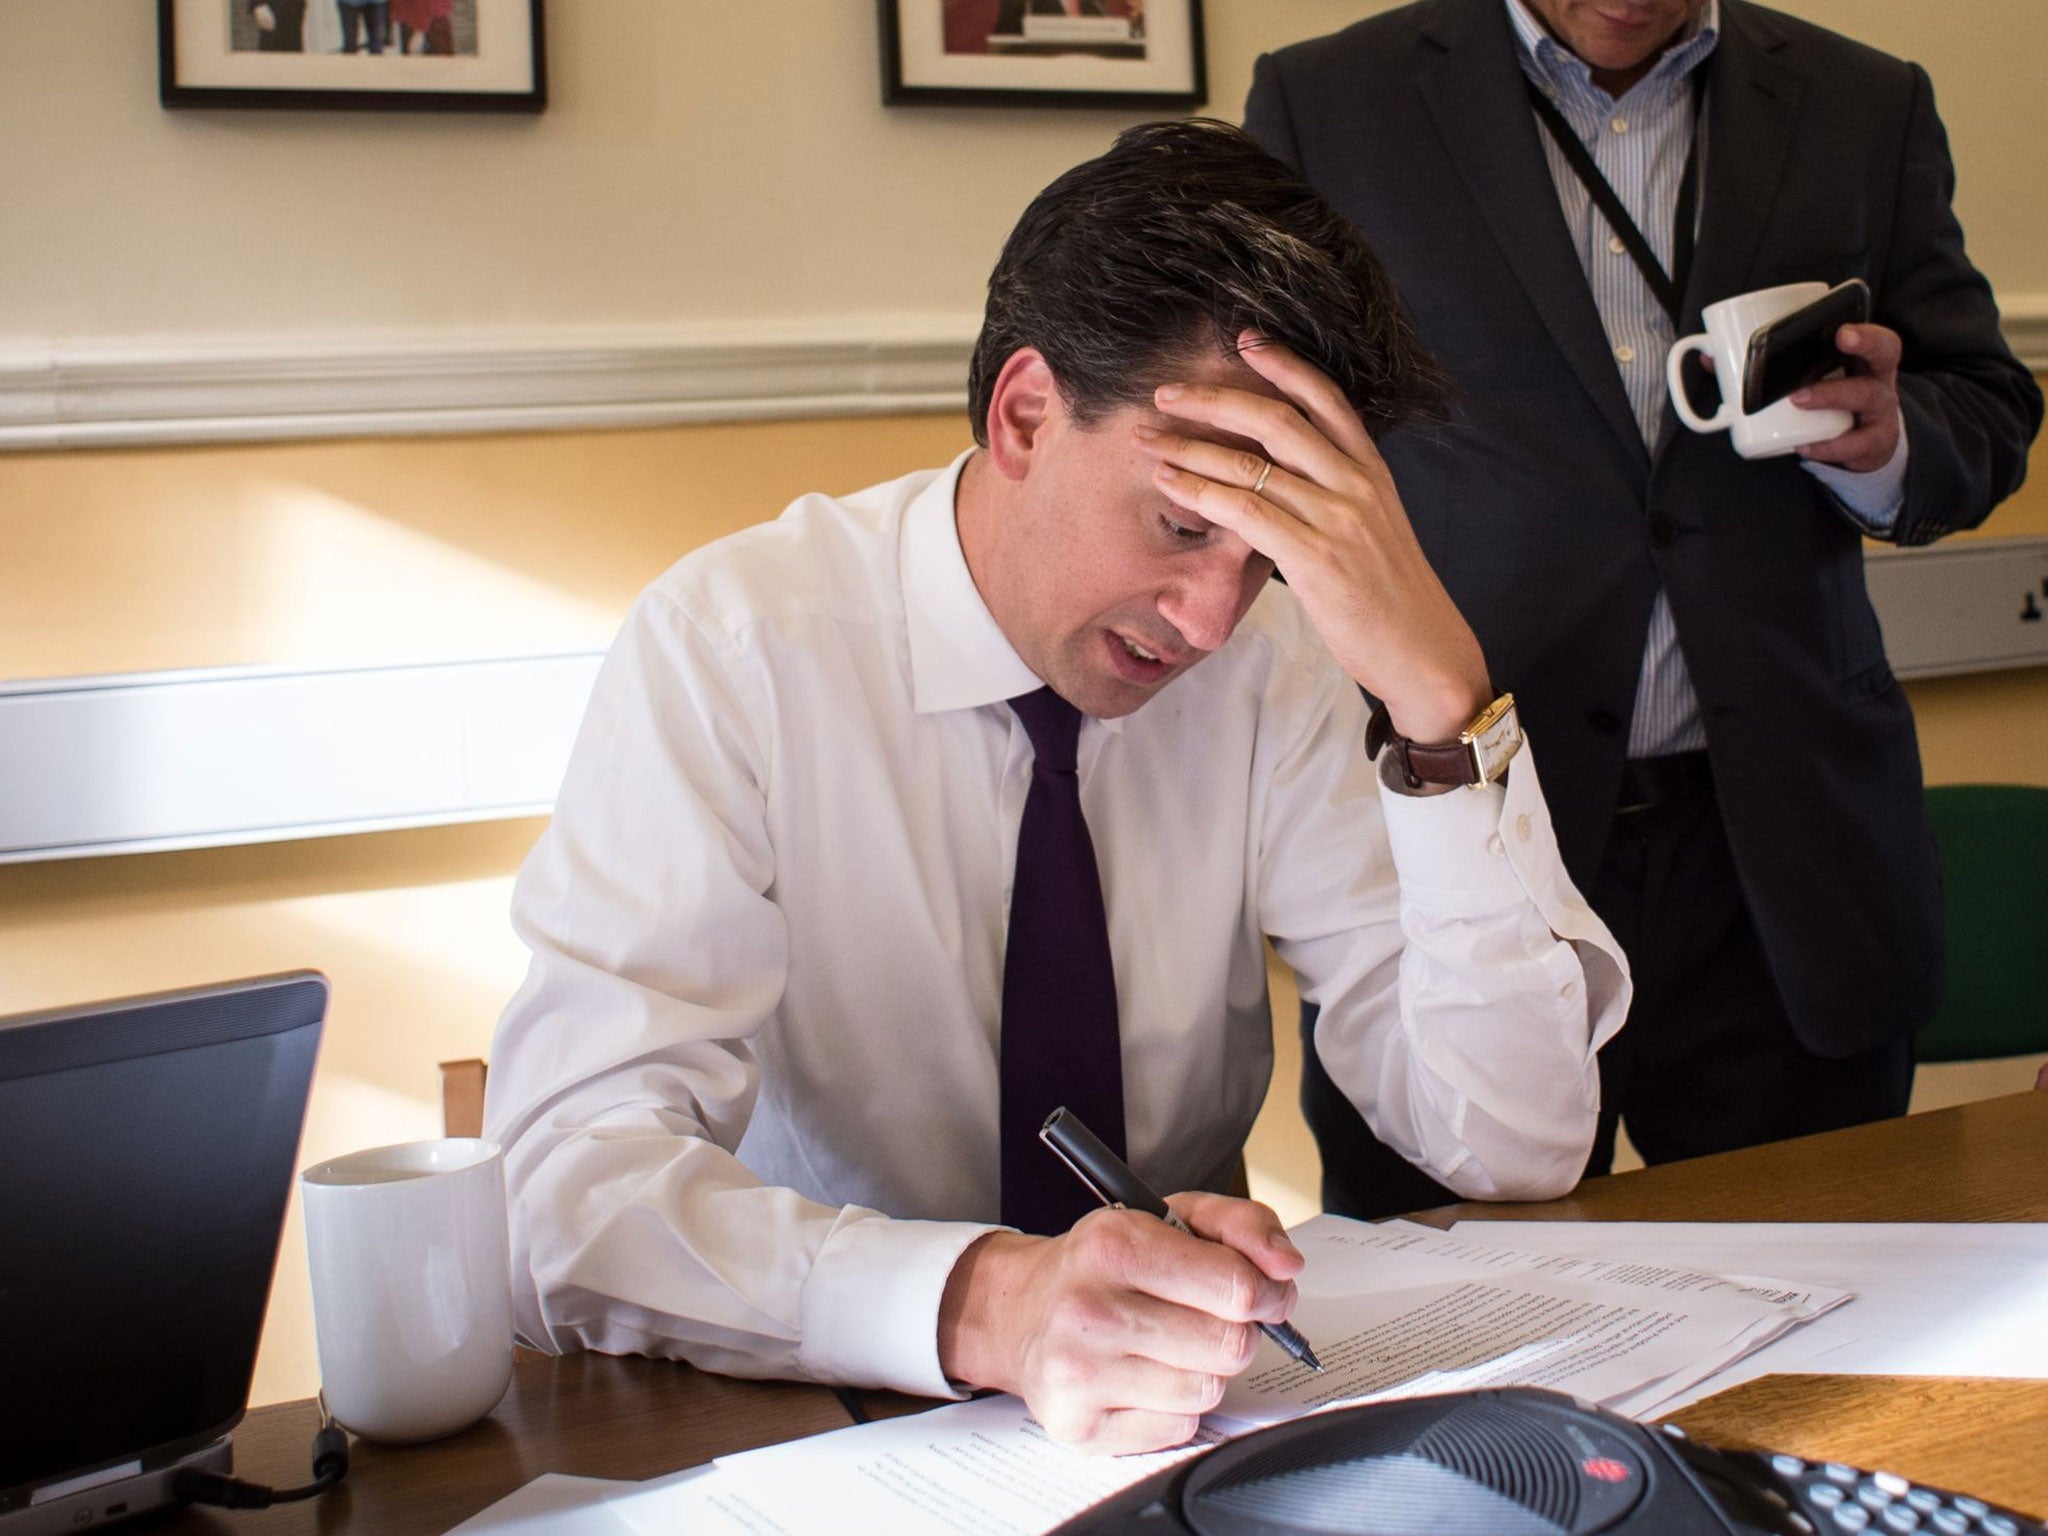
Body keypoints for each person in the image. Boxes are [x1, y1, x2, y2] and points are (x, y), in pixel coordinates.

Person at [485, 120, 1628, 1456]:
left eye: (1265, 553)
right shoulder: (737, 645)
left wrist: (1442, 705)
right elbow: (565, 1193)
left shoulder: (1271, 666)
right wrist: (991, 1304)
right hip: (817, 1430)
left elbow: (1519, 1142)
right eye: (1184, 524)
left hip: (1184, 1429)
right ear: (1025, 414)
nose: (1209, 617)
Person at [1245, 0, 2044, 1219]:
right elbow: (1258, 407)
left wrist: (1888, 440)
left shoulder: (1861, 103)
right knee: (1454, 1320)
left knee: (1817, 1291)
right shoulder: (1327, 103)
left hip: (1776, 856)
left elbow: (1982, 413)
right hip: (1472, 835)